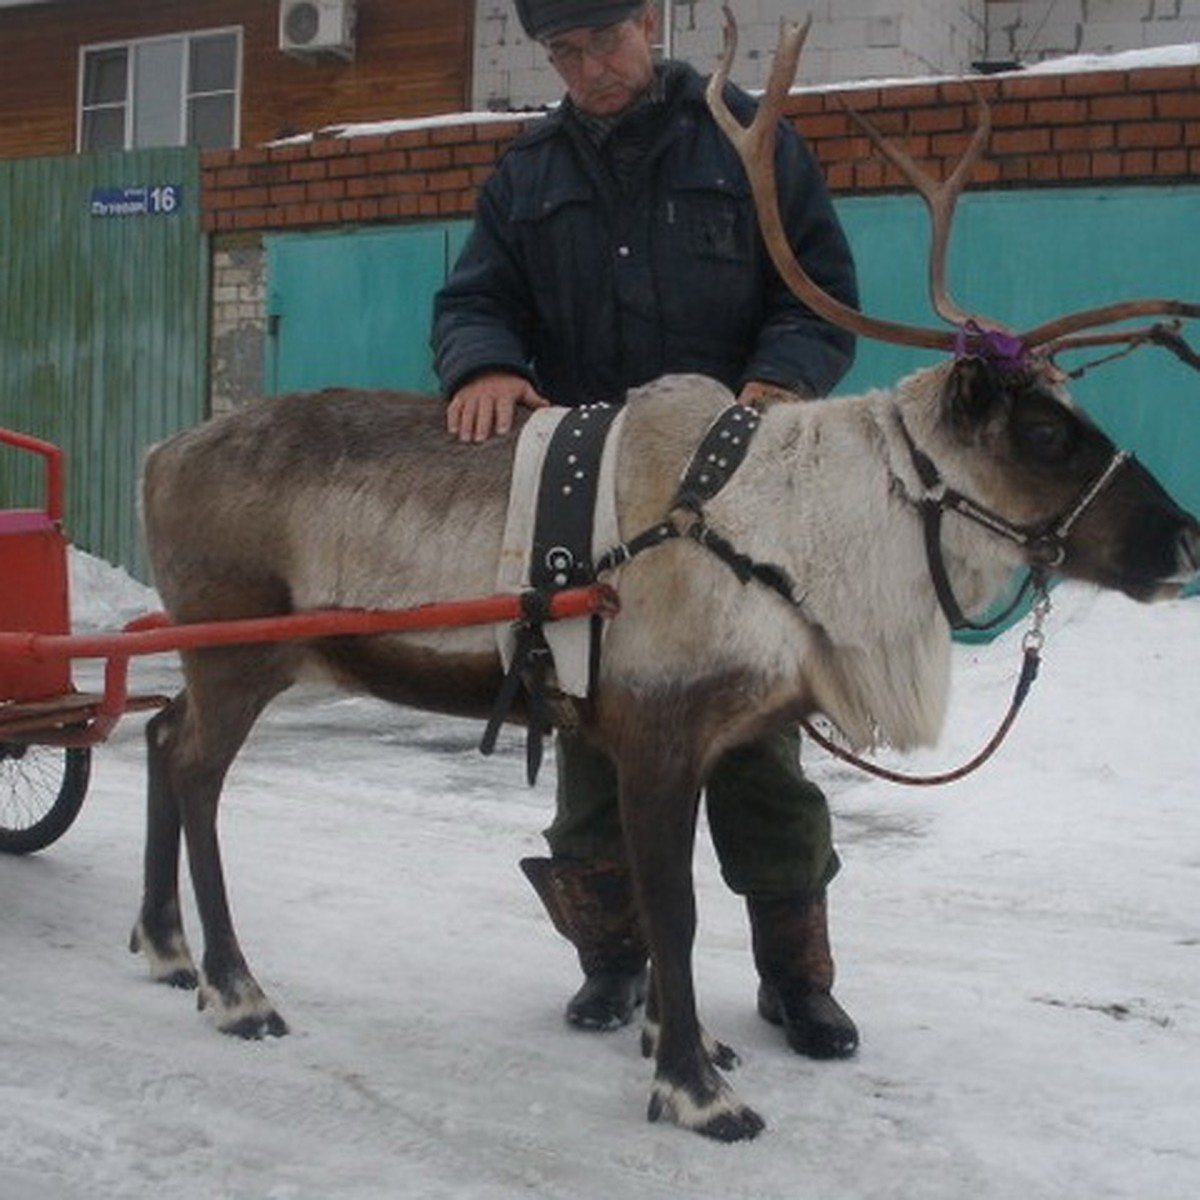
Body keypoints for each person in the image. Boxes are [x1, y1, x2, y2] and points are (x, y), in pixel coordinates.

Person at [431, 0, 861, 1060]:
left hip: (739, 493)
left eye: (605, 42)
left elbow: (820, 293)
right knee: (589, 717)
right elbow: (475, 296)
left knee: (753, 733)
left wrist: (782, 376)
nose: (588, 69)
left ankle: (793, 974)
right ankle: (613, 956)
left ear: (645, 25)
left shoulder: (747, 141)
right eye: (562, 53)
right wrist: (484, 361)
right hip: (591, 500)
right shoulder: (526, 174)